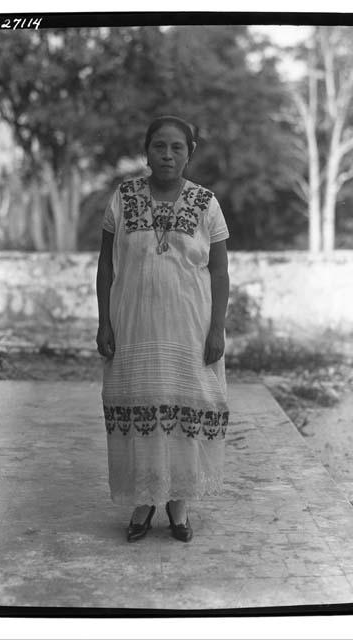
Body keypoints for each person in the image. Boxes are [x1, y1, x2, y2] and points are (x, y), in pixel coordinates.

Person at [96, 115, 230, 543]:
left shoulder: (206, 203)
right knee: (140, 406)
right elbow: (105, 265)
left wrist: (217, 330)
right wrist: (104, 320)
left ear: (190, 152)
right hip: (133, 326)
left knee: (183, 406)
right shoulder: (123, 197)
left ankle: (179, 503)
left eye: (177, 147)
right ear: (146, 151)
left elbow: (221, 271)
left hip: (189, 328)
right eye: (159, 146)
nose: (168, 154)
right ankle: (143, 500)